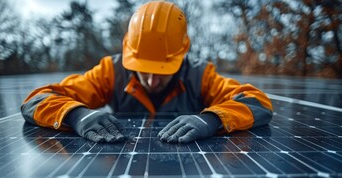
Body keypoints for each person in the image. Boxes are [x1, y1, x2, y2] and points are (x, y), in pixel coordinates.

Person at [21, 0, 273, 144]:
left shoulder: (200, 75)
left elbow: (257, 102)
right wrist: (76, 116)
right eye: (143, 70)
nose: (152, 80)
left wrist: (212, 119)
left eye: (162, 70)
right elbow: (37, 100)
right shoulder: (111, 71)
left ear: (181, 55)